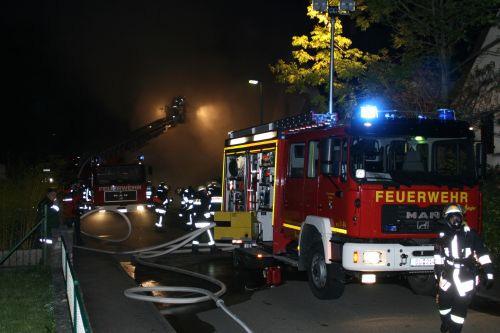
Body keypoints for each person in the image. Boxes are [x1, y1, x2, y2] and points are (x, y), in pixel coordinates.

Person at [434, 204, 494, 333]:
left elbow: (482, 253)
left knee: (460, 309)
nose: (455, 220)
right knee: (443, 305)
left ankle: (455, 330)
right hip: (448, 275)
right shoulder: (442, 236)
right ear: (446, 219)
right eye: (451, 218)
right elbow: (438, 256)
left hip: (466, 276)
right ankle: (445, 321)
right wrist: (438, 275)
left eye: (457, 217)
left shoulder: (470, 235)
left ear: (461, 218)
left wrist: (489, 273)